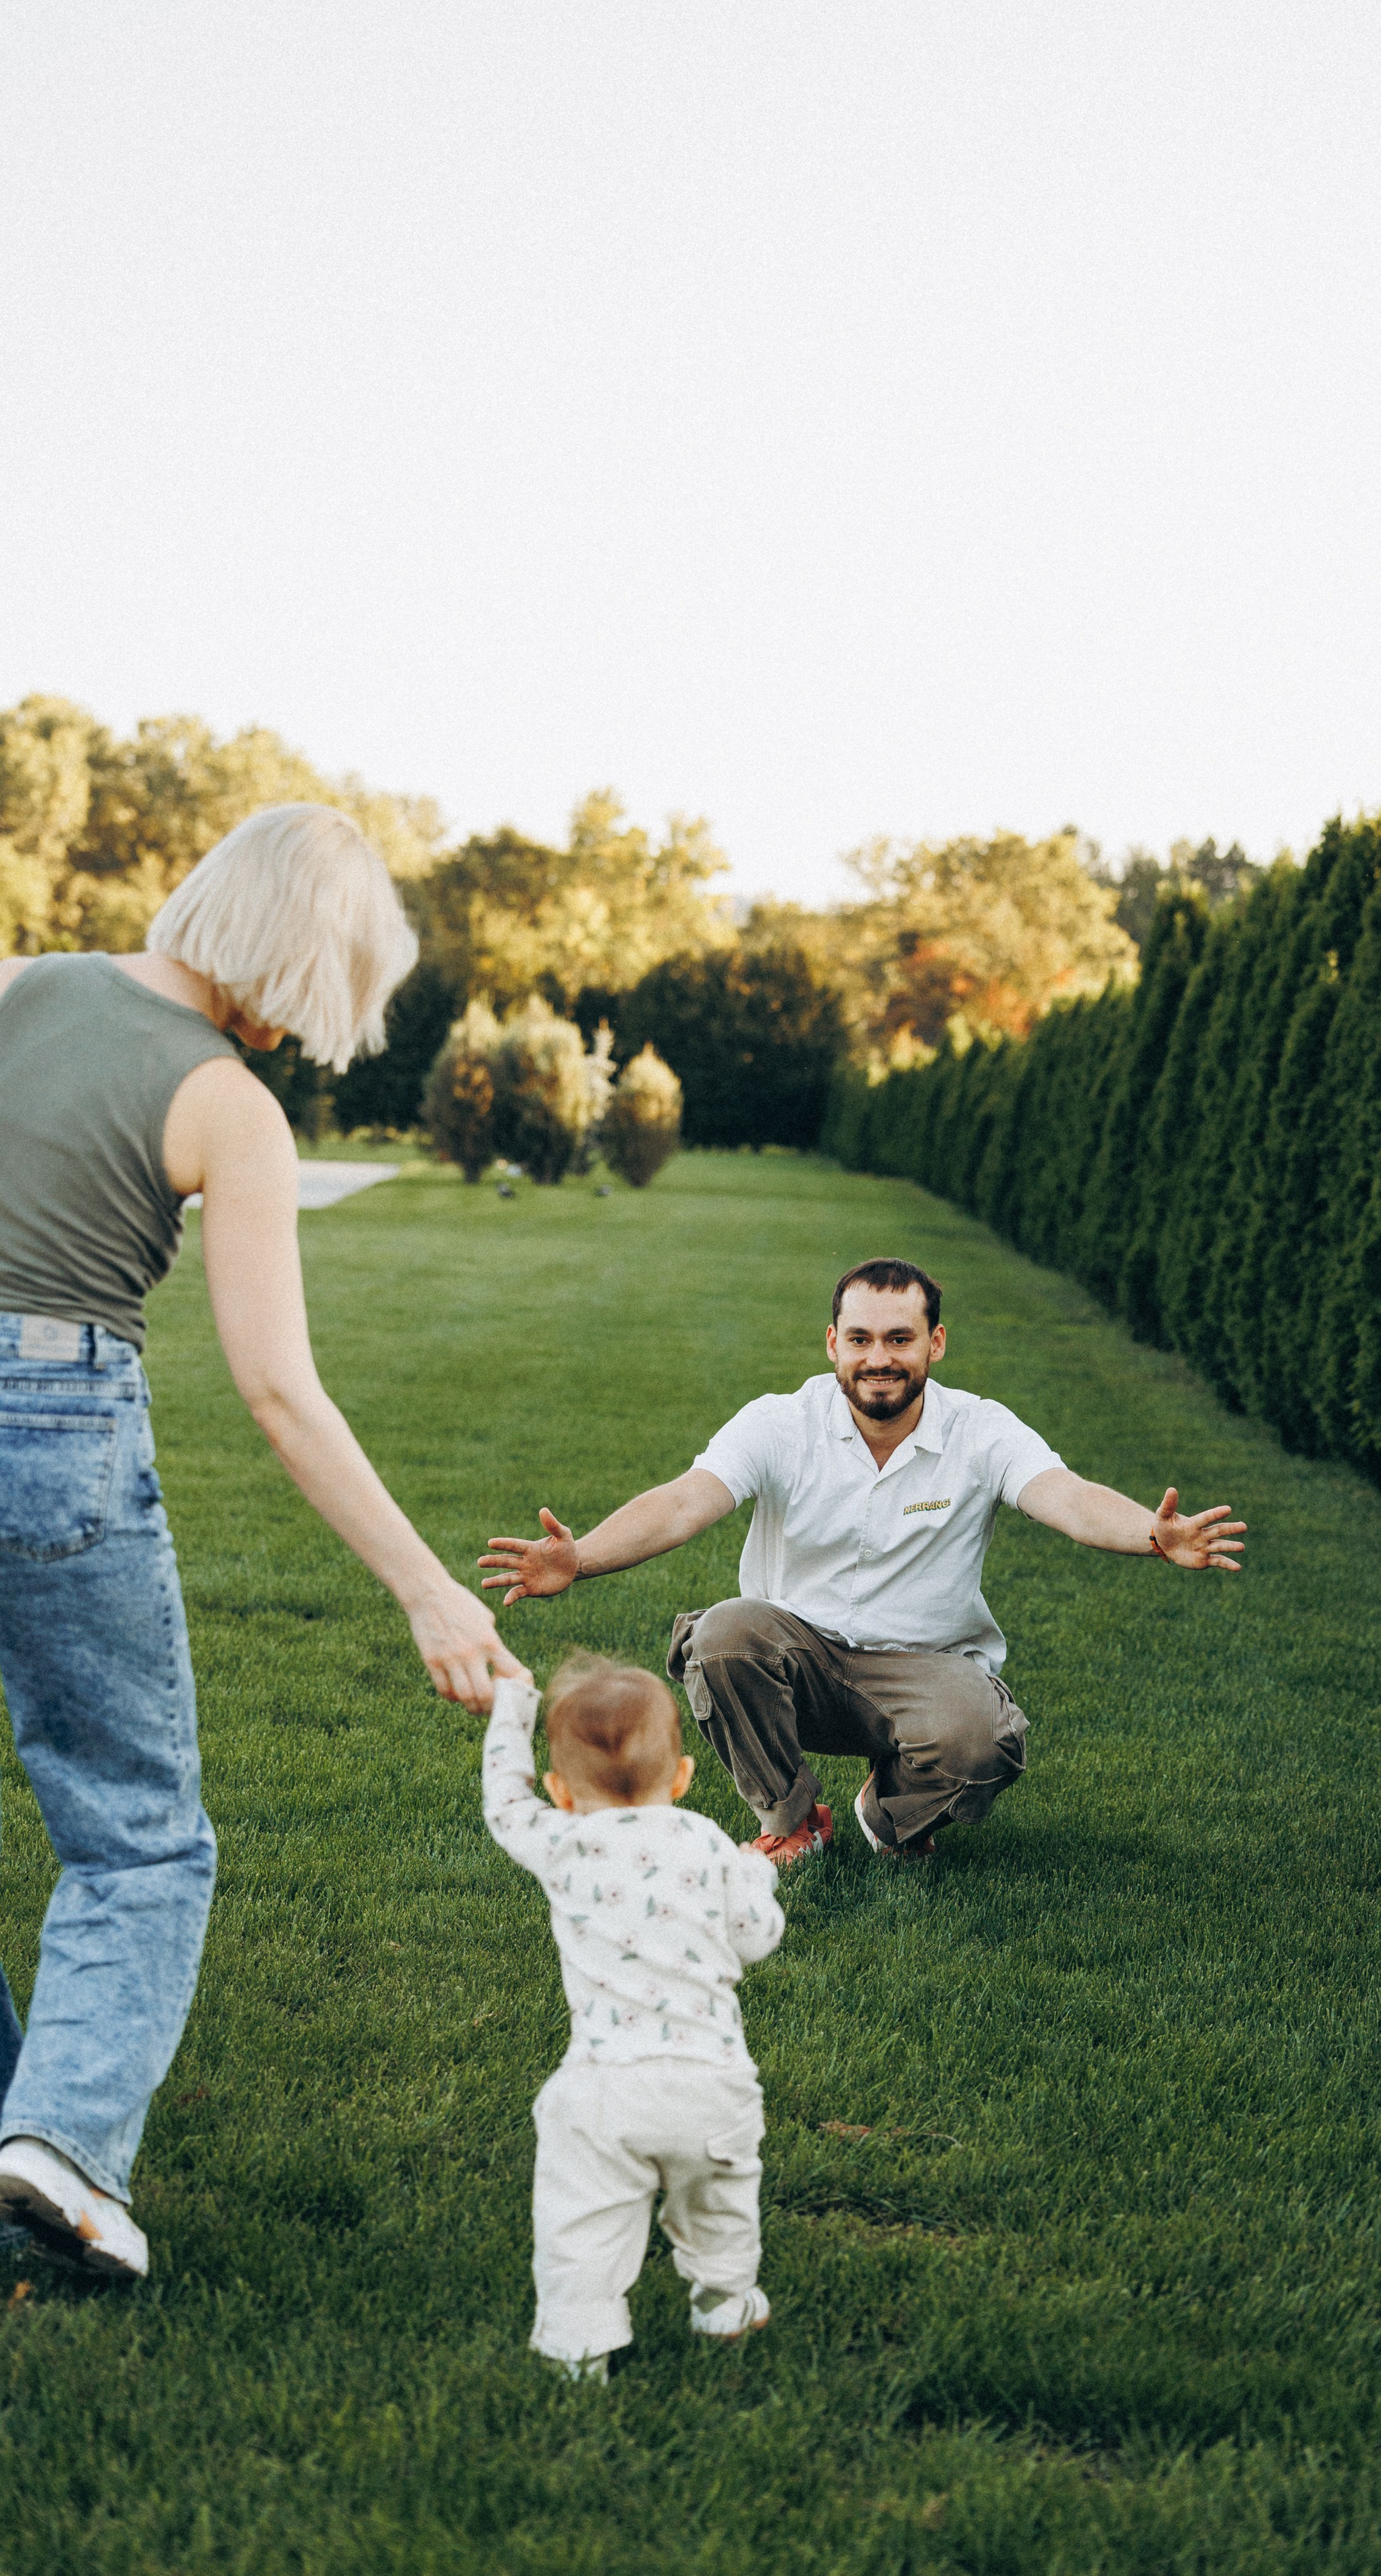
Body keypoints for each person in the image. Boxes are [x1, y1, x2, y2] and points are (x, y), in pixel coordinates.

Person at [0, 804, 523, 2280]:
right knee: (138, 1837)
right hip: (53, 1422)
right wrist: (429, 1593)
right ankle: (62, 2145)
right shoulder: (228, 1104)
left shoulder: (23, 982)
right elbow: (279, 1390)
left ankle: (23, 2134)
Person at [479, 1256, 1245, 1867]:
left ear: (934, 1344)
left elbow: (1068, 1498)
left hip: (924, 1668)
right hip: (797, 1658)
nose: (879, 1359)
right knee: (722, 1634)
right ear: (832, 1343)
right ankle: (791, 1823)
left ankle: (889, 1814)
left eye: (900, 1339)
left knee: (984, 1743)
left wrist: (1152, 1532)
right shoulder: (782, 1421)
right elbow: (686, 1501)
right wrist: (581, 1560)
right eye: (861, 1339)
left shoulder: (980, 1430)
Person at [482, 1653, 783, 2381]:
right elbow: (753, 1940)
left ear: (559, 1791)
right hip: (713, 2084)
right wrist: (756, 1873)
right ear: (680, 1779)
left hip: (604, 2086)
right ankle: (723, 2301)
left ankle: (580, 2347)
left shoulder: (562, 1841)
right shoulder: (710, 1844)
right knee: (719, 2204)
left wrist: (512, 1705)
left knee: (582, 2220)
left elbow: (503, 1805)